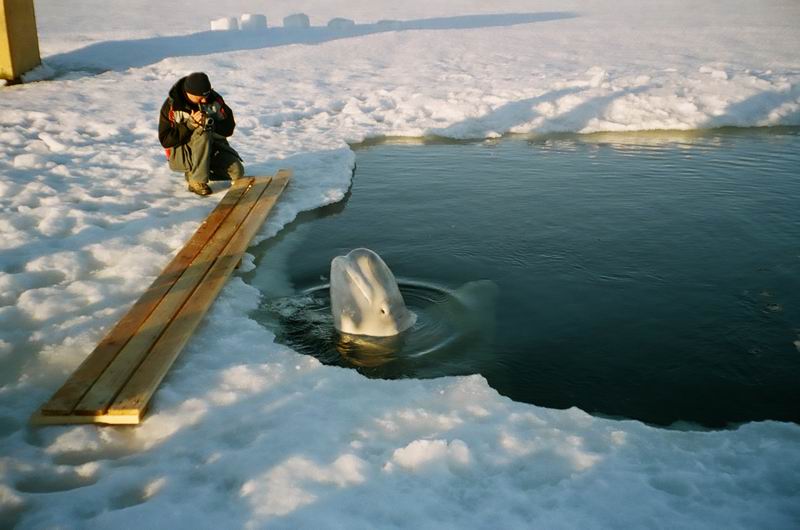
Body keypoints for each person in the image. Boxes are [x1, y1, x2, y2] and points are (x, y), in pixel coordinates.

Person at [158, 72, 245, 196]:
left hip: (212, 147)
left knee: (237, 172)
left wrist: (212, 122)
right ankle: (196, 180)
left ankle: (199, 171)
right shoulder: (172, 106)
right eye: (200, 97)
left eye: (207, 95)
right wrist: (190, 125)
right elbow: (165, 140)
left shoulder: (214, 99)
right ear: (189, 93)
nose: (204, 100)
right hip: (184, 153)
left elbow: (229, 129)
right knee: (202, 133)